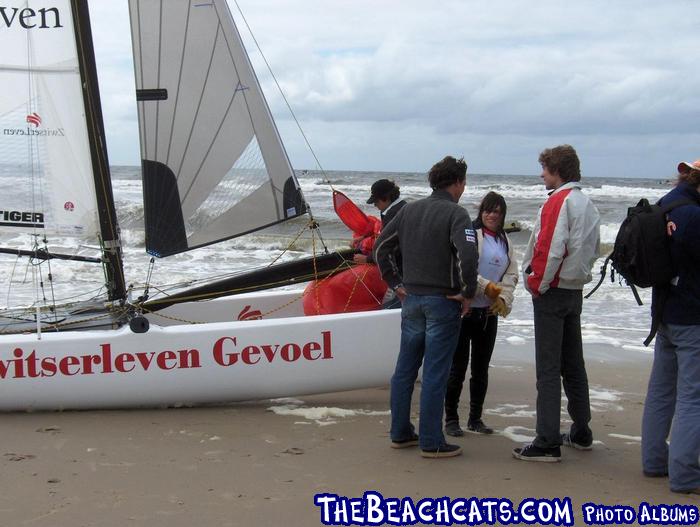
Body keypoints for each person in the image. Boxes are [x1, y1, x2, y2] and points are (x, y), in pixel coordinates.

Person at [374, 156, 478, 458]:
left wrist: (396, 283)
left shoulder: (409, 211)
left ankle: (400, 431)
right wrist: (468, 292)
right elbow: (468, 256)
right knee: (435, 371)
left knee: (405, 368)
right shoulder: (456, 213)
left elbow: (382, 247)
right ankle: (432, 440)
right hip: (443, 301)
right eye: (463, 182)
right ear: (457, 183)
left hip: (412, 299)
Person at [513, 144, 600, 462]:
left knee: (548, 369)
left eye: (545, 169)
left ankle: (547, 440)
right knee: (573, 364)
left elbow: (550, 247)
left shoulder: (558, 201)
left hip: (554, 290)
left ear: (557, 170)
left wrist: (536, 284)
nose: (541, 174)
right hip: (574, 290)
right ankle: (581, 429)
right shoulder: (587, 203)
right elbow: (592, 248)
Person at [641, 159, 700, 494]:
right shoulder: (694, 216)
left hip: (663, 312)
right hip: (692, 315)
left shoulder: (666, 205)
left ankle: (654, 461)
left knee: (661, 391)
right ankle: (685, 474)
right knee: (693, 396)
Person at [444, 192, 518, 437]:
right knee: (457, 367)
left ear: (503, 214)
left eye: (497, 211)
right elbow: (463, 266)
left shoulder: (506, 241)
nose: (492, 215)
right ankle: (451, 419)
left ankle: (475, 418)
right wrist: (485, 285)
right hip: (465, 310)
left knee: (481, 369)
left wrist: (504, 298)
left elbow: (511, 276)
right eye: (487, 210)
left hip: (488, 314)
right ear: (481, 212)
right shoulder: (471, 235)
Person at [353, 179, 406, 265]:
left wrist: (368, 259)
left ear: (386, 197)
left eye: (376, 201)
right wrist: (364, 237)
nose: (375, 205)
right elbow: (387, 235)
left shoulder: (394, 214)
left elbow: (391, 247)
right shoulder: (396, 208)